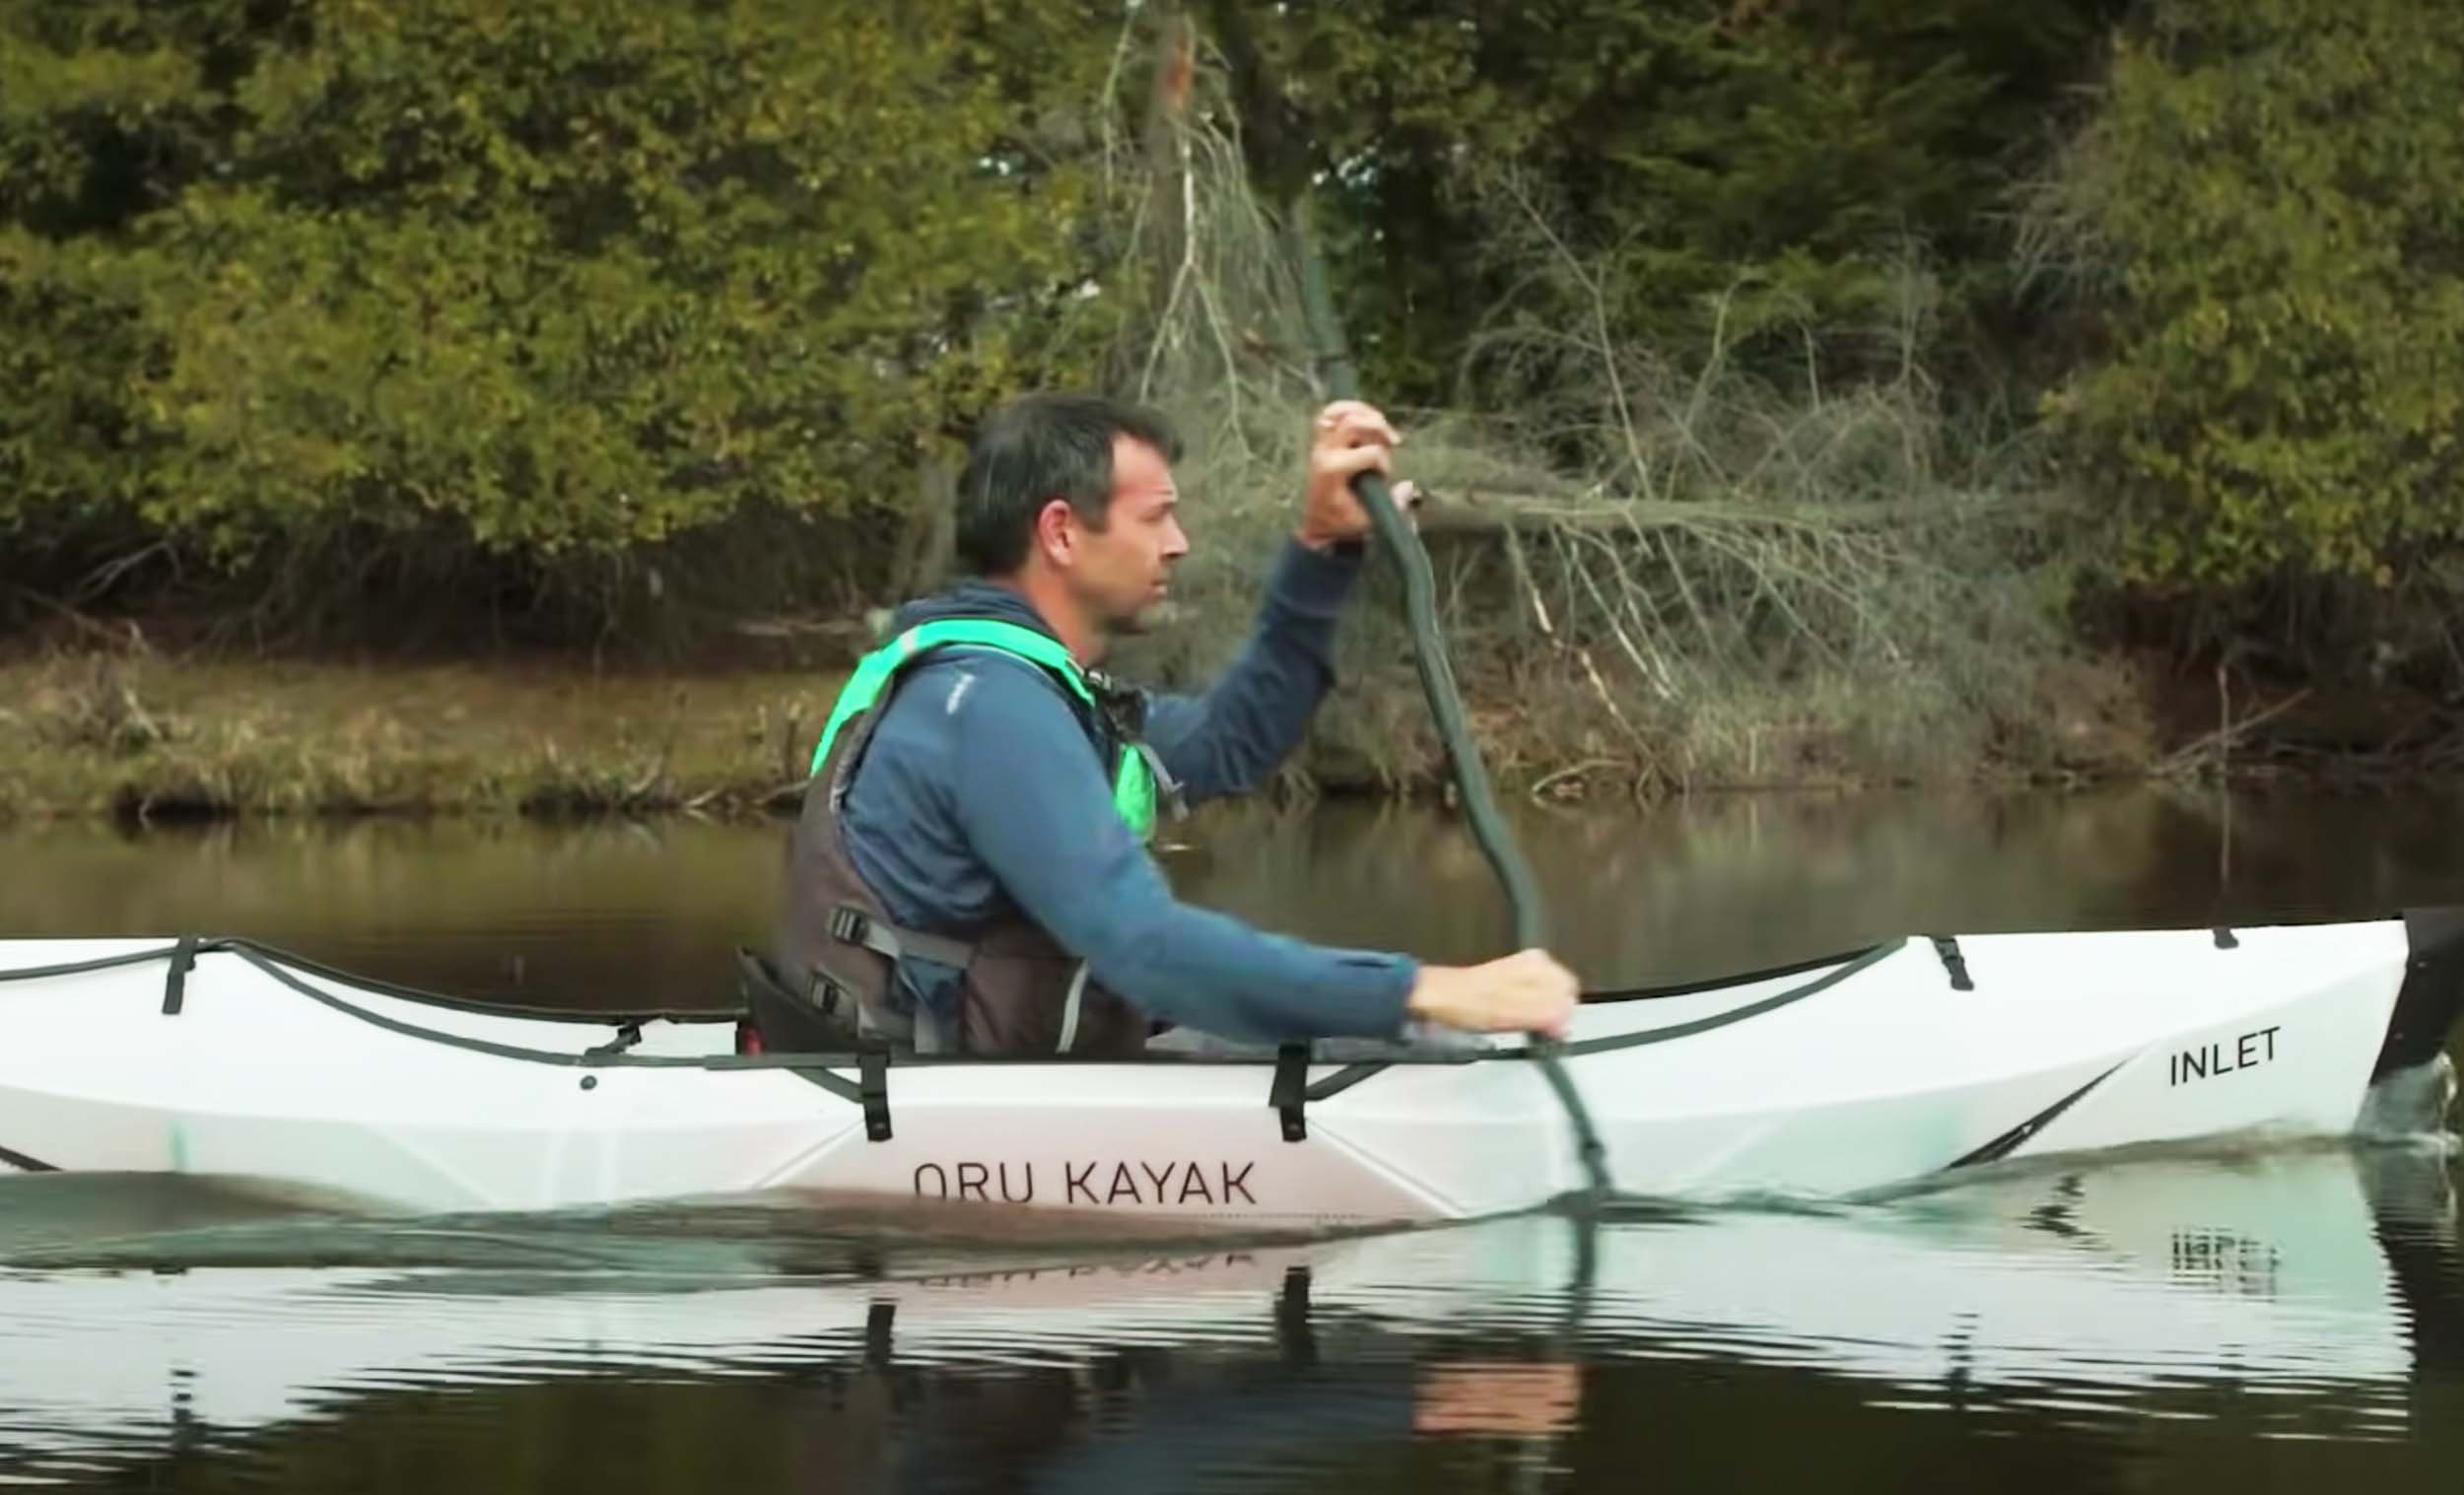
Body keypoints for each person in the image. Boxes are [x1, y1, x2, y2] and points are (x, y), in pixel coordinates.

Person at [771, 391, 1577, 1055]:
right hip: (921, 1108)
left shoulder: (1037, 691)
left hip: (985, 1077)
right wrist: (1429, 990)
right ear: (1060, 532)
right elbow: (1145, 948)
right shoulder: (987, 706)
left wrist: (1325, 550)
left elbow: (1235, 738)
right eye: (1155, 516)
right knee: (1410, 1039)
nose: (1179, 543)